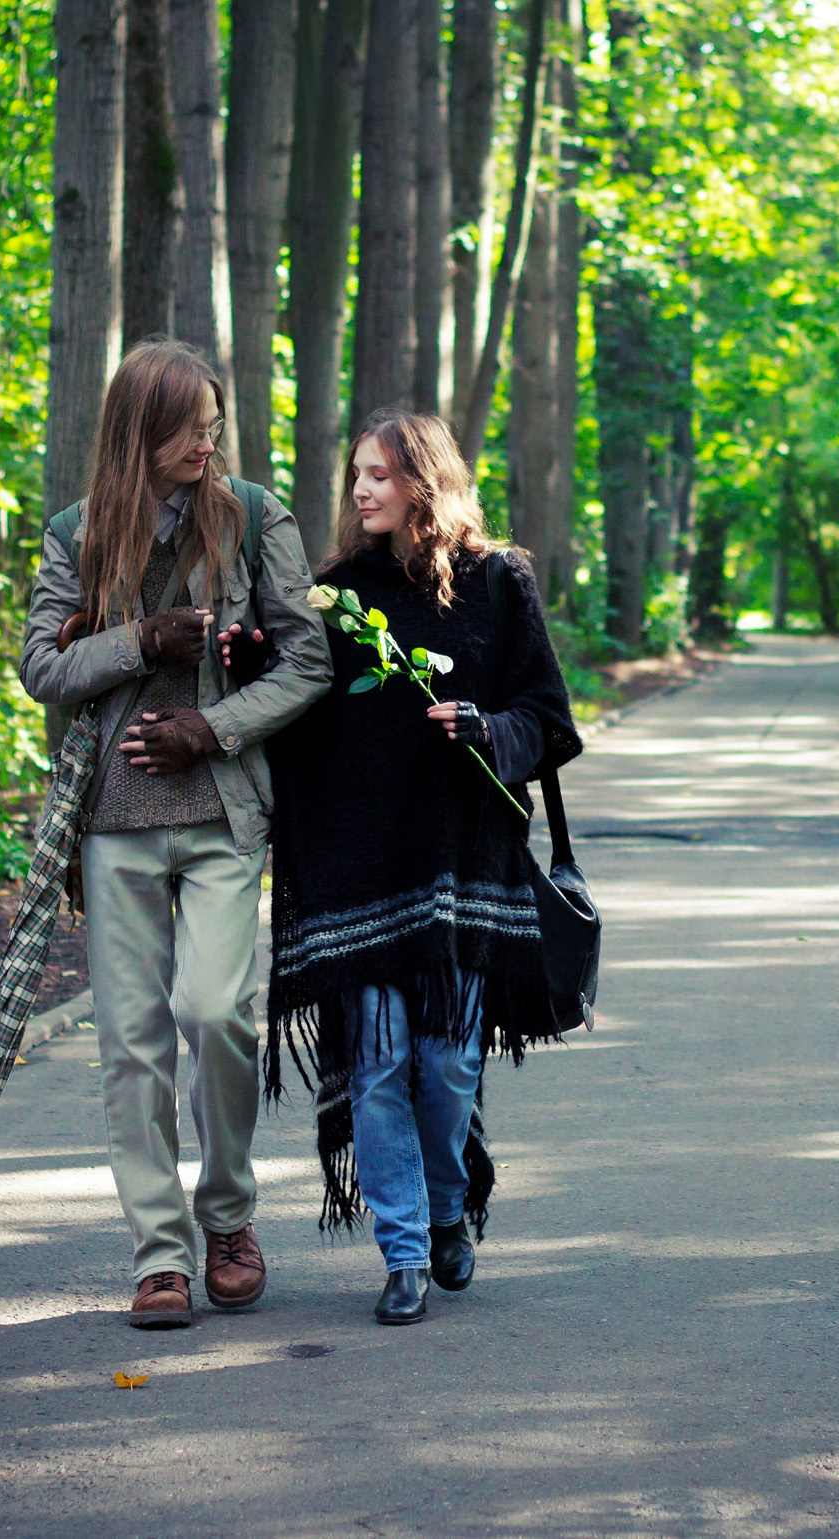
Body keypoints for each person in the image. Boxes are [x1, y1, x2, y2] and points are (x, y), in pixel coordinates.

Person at [19, 339, 330, 1330]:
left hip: (223, 812)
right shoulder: (77, 532)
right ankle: (160, 1254)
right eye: (191, 424)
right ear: (142, 431)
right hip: (113, 823)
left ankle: (229, 1216)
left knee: (213, 1012)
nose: (210, 438)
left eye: (214, 420)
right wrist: (137, 642)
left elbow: (307, 660)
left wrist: (213, 726)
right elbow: (41, 668)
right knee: (133, 1045)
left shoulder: (252, 514)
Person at [254, 408, 582, 1326]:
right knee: (380, 1063)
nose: (361, 489)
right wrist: (249, 663)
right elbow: (296, 710)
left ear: (423, 484)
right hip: (356, 868)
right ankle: (402, 1253)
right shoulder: (333, 591)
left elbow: (548, 720)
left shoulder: (497, 582)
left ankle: (450, 1206)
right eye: (356, 473)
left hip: (462, 865)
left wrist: (486, 728)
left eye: (379, 475)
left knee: (444, 1068)